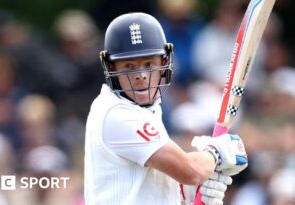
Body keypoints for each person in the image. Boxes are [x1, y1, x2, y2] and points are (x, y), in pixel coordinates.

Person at [84, 12, 248, 205]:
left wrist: (182, 194)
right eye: (129, 66)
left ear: (164, 63)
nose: (141, 75)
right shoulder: (118, 114)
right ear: (111, 68)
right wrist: (216, 154)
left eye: (148, 64)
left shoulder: (145, 109)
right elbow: (191, 171)